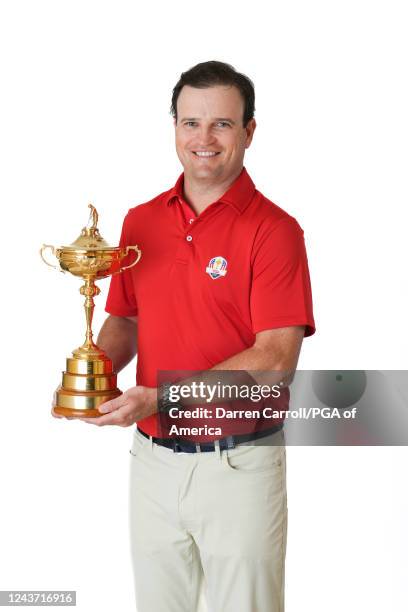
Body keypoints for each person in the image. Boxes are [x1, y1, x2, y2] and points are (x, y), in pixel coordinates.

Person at [55, 60, 315, 612]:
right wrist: (92, 374)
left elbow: (275, 359)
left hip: (238, 464)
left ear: (248, 132)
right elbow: (126, 320)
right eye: (191, 122)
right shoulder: (141, 221)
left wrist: (159, 396)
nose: (204, 139)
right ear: (173, 126)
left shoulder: (275, 231)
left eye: (221, 124)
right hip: (152, 459)